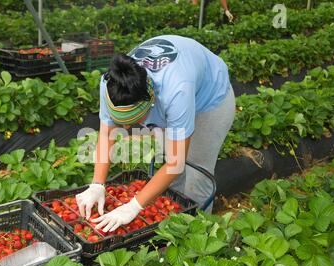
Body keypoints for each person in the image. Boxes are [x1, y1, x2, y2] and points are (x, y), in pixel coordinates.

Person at [76, 35, 236, 232]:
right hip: (176, 88)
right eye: (121, 123)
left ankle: (197, 237)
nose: (127, 129)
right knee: (171, 175)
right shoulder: (111, 84)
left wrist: (133, 206)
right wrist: (97, 184)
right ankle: (172, 229)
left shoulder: (177, 90)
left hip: (210, 100)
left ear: (151, 102)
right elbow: (105, 135)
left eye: (134, 123)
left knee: (196, 177)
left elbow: (175, 164)